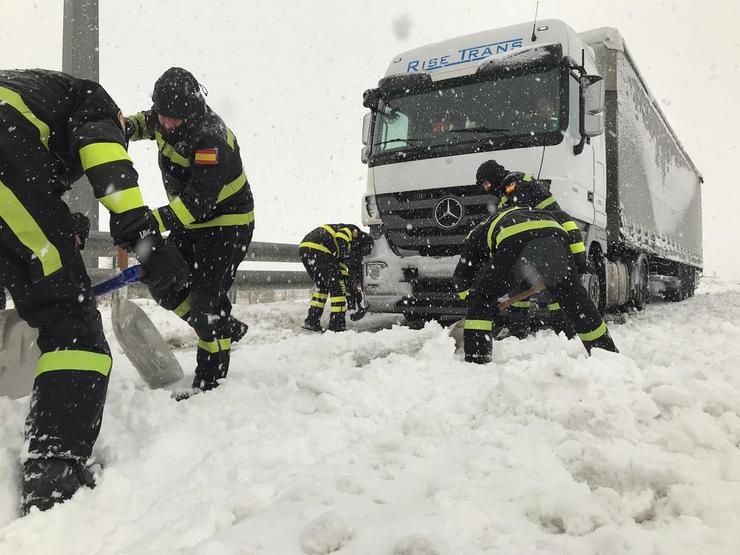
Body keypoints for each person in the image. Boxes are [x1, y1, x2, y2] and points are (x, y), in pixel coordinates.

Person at [0, 69, 189, 514]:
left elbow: (31, 190)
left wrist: (64, 226)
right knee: (70, 322)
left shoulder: (32, 94)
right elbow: (104, 161)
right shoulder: (95, 101)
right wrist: (143, 235)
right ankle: (54, 472)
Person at [125, 67, 255, 398]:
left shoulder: (210, 139)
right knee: (163, 280)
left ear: (191, 110)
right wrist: (120, 128)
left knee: (207, 300)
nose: (165, 124)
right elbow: (144, 123)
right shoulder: (163, 117)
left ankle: (210, 383)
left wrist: (151, 220)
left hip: (227, 225)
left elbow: (198, 202)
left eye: (174, 119)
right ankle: (220, 327)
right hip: (191, 223)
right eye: (162, 115)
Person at [454, 204, 617, 363]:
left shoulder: (475, 234)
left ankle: (477, 359)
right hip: (554, 235)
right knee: (574, 297)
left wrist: (472, 300)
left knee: (481, 298)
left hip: (515, 239)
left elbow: (462, 274)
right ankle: (605, 351)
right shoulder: (518, 212)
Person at [457, 160, 589, 339]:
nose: (487, 188)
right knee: (520, 285)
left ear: (494, 177)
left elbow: (517, 214)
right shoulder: (506, 191)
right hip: (536, 238)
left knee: (555, 289)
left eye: (487, 183)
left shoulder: (514, 182)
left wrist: (578, 259)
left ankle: (564, 333)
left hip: (547, 238)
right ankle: (519, 330)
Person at [299, 224, 373, 332]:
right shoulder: (354, 231)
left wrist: (352, 290)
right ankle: (337, 326)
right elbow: (341, 236)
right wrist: (347, 255)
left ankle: (312, 321)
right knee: (338, 287)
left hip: (307, 250)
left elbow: (342, 273)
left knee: (323, 286)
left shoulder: (340, 251)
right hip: (320, 248)